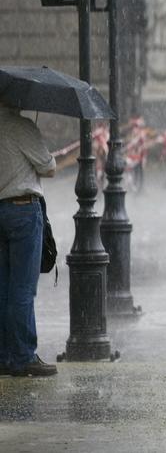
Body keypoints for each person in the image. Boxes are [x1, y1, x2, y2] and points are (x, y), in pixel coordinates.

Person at [0, 103, 57, 377]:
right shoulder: (21, 126)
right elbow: (49, 167)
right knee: (22, 288)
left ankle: (3, 355)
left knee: (3, 287)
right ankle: (23, 357)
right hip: (22, 209)